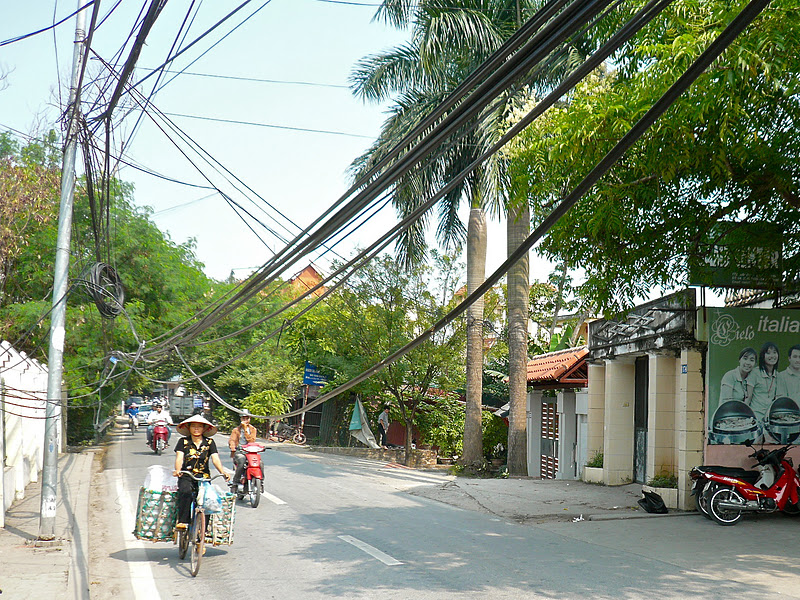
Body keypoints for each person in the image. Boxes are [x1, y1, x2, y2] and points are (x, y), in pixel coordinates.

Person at [172, 414, 230, 530]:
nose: (196, 429)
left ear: (204, 428)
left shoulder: (209, 443)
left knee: (207, 500)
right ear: (189, 428)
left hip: (204, 476)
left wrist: (223, 472)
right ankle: (183, 521)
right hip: (186, 475)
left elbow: (215, 459)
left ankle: (203, 530)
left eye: (199, 426)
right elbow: (179, 457)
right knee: (185, 492)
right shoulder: (183, 442)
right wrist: (178, 470)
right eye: (193, 426)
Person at [749, 342, 780, 442]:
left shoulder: (778, 375)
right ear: (763, 356)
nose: (772, 356)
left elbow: (777, 399)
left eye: (774, 352)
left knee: (772, 444)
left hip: (770, 419)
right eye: (768, 353)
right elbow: (748, 398)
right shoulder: (755, 372)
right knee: (756, 445)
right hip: (756, 417)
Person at [228, 410, 258, 486]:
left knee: (260, 463)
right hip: (239, 451)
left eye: (246, 418)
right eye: (243, 418)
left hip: (250, 452)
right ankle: (236, 480)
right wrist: (233, 447)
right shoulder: (236, 430)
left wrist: (245, 430)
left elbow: (251, 441)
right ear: (240, 419)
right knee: (241, 461)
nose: (245, 420)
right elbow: (232, 440)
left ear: (249, 419)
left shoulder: (253, 429)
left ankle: (260, 482)